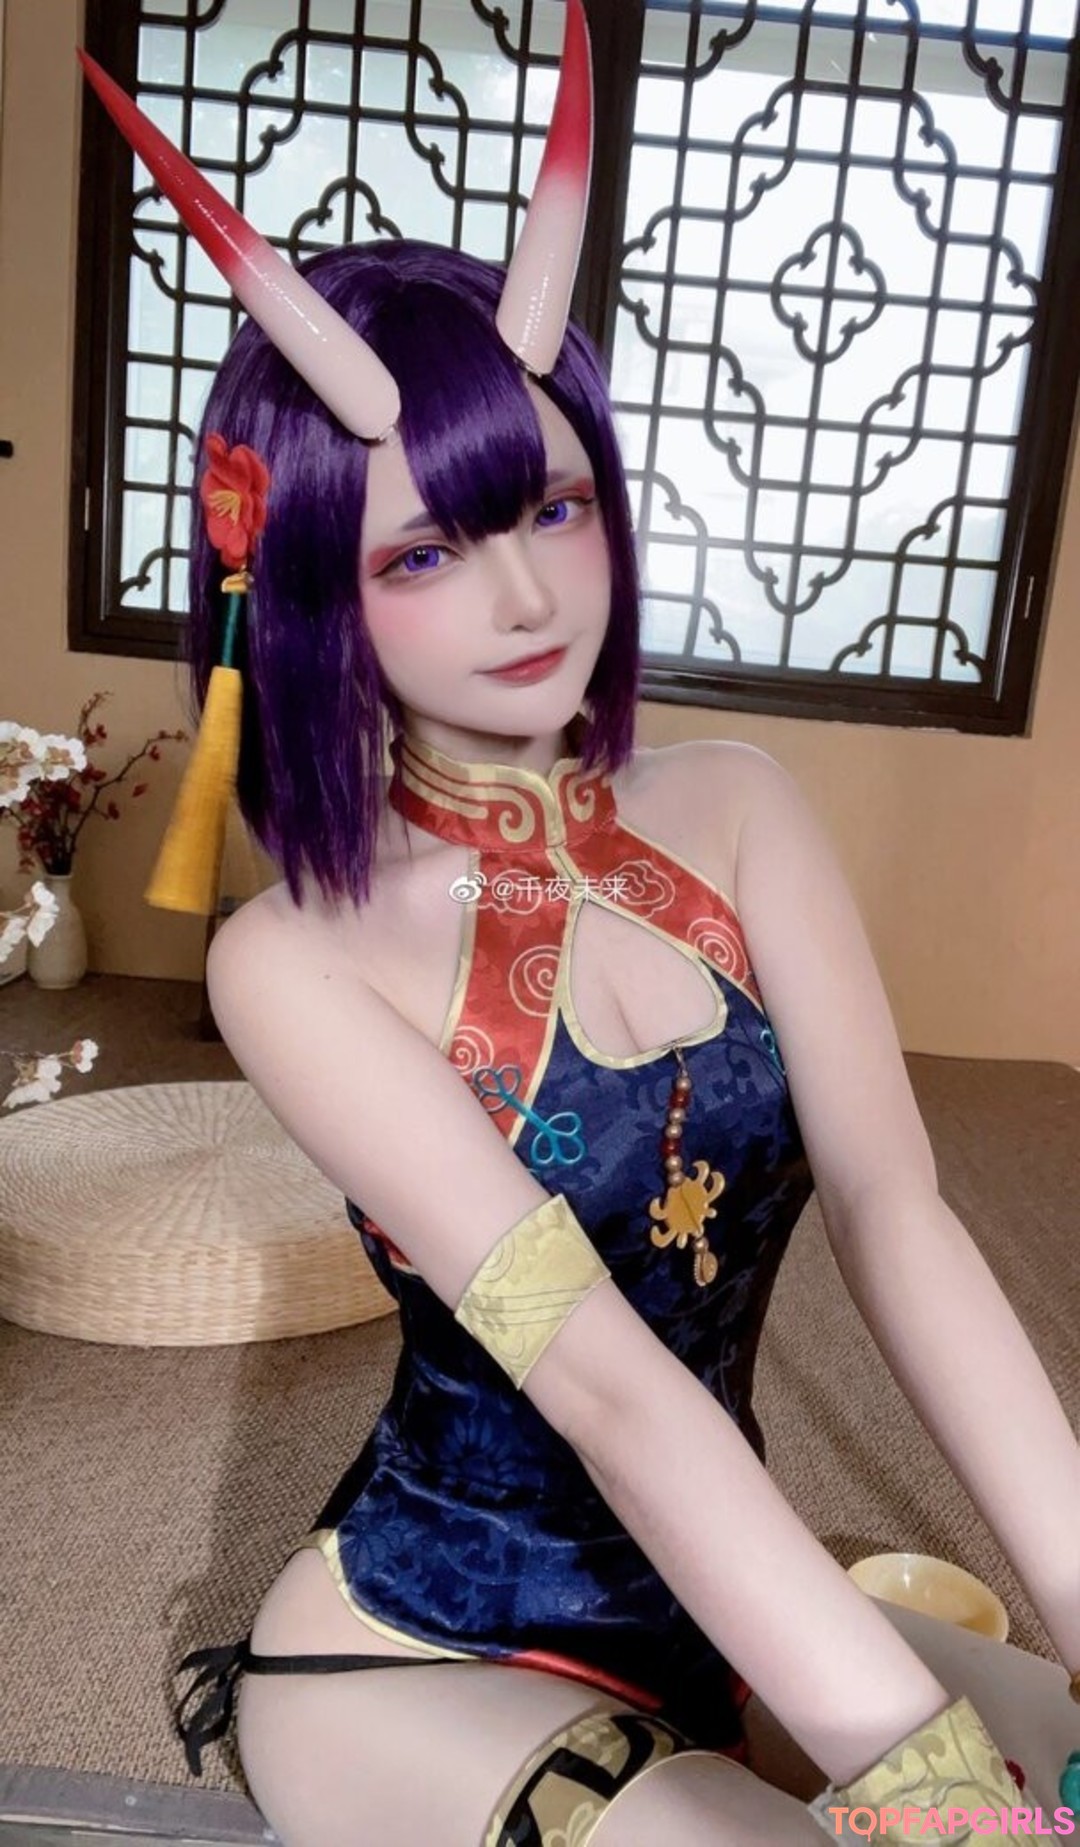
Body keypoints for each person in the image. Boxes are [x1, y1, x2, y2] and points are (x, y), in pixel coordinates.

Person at [80, 15, 1078, 1846]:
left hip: (729, 1598)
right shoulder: (292, 959)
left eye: (553, 505)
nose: (530, 592)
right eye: (423, 553)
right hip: (424, 1658)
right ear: (310, 595)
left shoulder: (742, 806)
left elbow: (901, 1213)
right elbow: (602, 1379)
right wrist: (923, 1782)